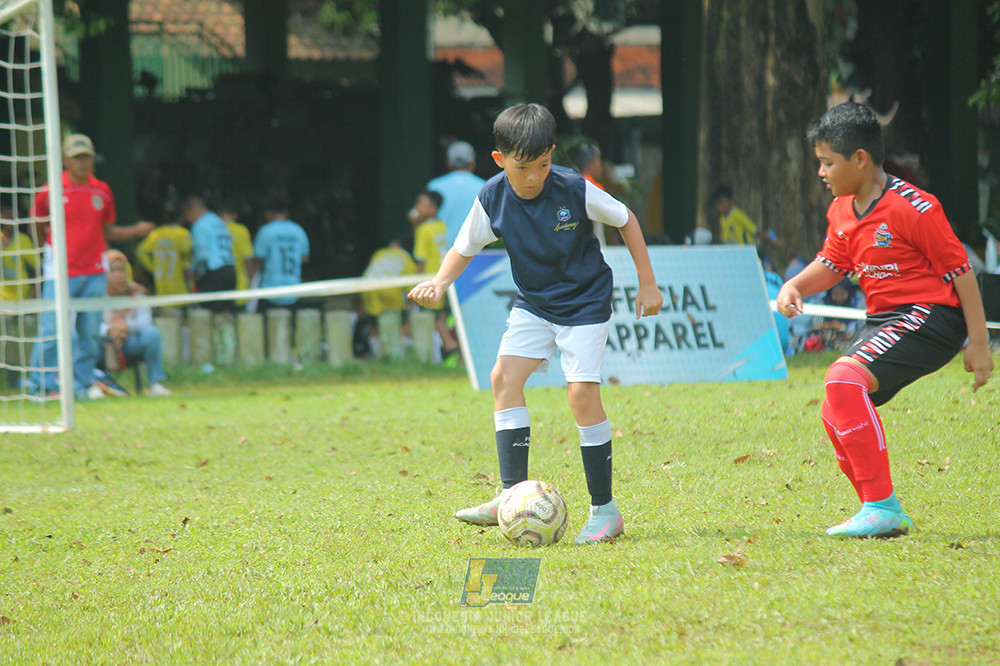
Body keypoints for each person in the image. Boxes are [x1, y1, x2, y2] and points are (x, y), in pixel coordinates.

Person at [408, 103, 663, 544]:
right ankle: (510, 495)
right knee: (503, 378)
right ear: (499, 160)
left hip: (584, 301)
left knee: (581, 396)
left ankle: (605, 510)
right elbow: (464, 246)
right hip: (534, 303)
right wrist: (439, 283)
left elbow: (626, 219)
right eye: (523, 167)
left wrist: (648, 285)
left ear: (552, 155)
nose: (534, 177)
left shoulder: (572, 187)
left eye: (543, 164)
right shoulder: (491, 196)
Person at [776, 102, 993, 538]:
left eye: (827, 163)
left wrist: (979, 344)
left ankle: (882, 505)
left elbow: (962, 273)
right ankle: (877, 512)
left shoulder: (914, 207)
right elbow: (833, 262)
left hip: (933, 316)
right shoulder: (841, 209)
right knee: (834, 409)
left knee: (841, 380)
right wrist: (795, 285)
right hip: (884, 320)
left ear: (860, 159)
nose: (821, 173)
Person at [29, 134, 154, 400]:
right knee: (51, 329)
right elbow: (38, 226)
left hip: (95, 272)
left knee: (88, 332)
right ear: (65, 160)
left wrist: (135, 231)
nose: (81, 163)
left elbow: (107, 230)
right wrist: (49, 254)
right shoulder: (49, 191)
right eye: (76, 158)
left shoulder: (102, 190)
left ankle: (81, 385)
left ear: (92, 159)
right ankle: (39, 385)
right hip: (59, 272)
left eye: (86, 157)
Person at [100, 250, 172, 397]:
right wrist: (109, 329)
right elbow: (87, 324)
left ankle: (155, 384)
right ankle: (89, 385)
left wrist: (127, 327)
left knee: (152, 333)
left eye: (121, 270)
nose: (118, 275)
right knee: (84, 339)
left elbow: (145, 321)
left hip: (130, 342)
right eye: (112, 270)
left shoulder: (137, 292)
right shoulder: (94, 294)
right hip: (102, 344)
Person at [408, 190, 458, 362]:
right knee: (441, 318)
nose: (417, 207)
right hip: (445, 277)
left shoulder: (423, 229)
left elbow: (420, 260)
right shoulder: (441, 225)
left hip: (429, 281)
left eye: (421, 204)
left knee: (432, 318)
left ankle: (448, 347)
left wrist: (414, 284)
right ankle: (451, 349)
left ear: (432, 208)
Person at [357, 239, 417, 358]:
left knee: (374, 324)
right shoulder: (409, 262)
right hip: (390, 292)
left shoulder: (380, 253)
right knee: (398, 323)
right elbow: (412, 292)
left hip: (367, 288)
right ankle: (393, 356)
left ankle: (379, 355)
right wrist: (411, 311)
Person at [2, 207, 41, 387]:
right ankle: (11, 378)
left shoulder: (23, 241)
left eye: (10, 218)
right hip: (2, 302)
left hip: (21, 300)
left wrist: (34, 290)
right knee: (6, 340)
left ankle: (22, 377)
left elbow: (37, 268)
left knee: (23, 339)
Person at [250, 197, 310, 311]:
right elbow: (304, 259)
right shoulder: (298, 231)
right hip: (293, 289)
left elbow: (258, 260)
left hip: (270, 288)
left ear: (268, 213)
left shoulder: (266, 231)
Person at [182, 194, 235, 312]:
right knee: (227, 313)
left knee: (210, 313)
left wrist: (192, 269)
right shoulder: (218, 221)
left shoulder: (200, 225)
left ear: (192, 210)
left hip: (214, 272)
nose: (188, 220)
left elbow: (202, 255)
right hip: (230, 270)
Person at [427, 141, 486, 245]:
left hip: (440, 254)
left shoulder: (434, 186)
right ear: (473, 161)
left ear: (449, 163)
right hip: (475, 253)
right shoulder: (485, 187)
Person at [135, 199, 192, 307]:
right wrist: (186, 263)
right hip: (179, 284)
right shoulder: (183, 233)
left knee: (165, 313)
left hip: (161, 282)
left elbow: (140, 251)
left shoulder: (156, 233)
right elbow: (187, 250)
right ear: (181, 217)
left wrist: (153, 267)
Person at [219, 200, 254, 311]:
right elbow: (248, 259)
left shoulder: (214, 229)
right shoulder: (241, 230)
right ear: (235, 216)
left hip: (218, 283)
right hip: (239, 284)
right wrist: (251, 280)